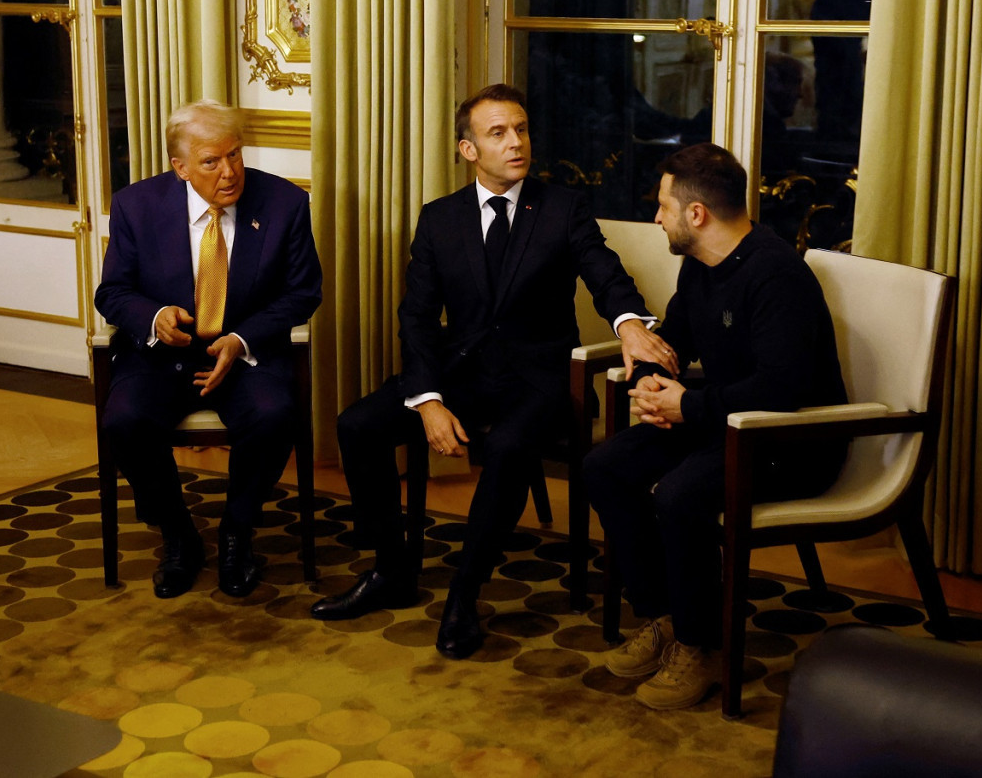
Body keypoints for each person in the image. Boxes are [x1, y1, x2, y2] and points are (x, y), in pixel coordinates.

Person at [310, 83, 676, 659]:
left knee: (507, 447)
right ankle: (391, 571)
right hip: (461, 373)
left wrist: (629, 321)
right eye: (498, 133)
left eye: (522, 129)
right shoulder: (438, 220)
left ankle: (464, 592)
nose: (516, 143)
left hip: (542, 380)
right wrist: (428, 399)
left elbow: (603, 269)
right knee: (357, 424)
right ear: (468, 149)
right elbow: (417, 319)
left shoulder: (562, 207)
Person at [584, 142, 848, 710]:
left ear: (695, 214)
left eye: (662, 206)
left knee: (679, 496)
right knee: (604, 466)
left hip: (794, 440)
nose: (657, 218)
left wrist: (688, 407)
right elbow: (674, 343)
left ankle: (700, 646)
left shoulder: (777, 275)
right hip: (728, 423)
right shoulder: (702, 267)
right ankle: (667, 618)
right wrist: (652, 382)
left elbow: (783, 389)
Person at [95, 100, 323, 600]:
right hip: (163, 357)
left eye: (236, 155)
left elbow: (304, 292)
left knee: (273, 414)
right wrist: (154, 317)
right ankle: (178, 535)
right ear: (179, 167)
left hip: (245, 356)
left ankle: (237, 532)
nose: (230, 172)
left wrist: (242, 340)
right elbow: (111, 293)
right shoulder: (137, 205)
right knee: (125, 420)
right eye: (211, 161)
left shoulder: (284, 203)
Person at [810, 0, 874, 142]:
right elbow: (832, 47)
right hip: (836, 89)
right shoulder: (829, 2)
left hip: (859, 87)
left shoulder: (871, 1)